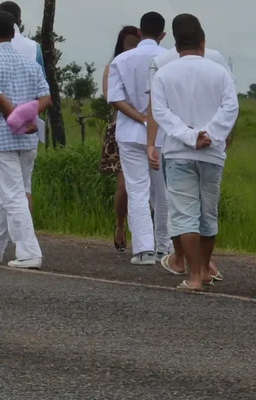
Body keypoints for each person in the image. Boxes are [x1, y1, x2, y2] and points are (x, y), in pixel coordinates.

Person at [151, 13, 239, 291]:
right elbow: (231, 108)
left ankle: (193, 277)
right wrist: (210, 134)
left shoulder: (164, 73)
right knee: (207, 214)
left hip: (179, 151)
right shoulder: (220, 72)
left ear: (176, 45)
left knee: (184, 213)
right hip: (212, 153)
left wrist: (190, 136)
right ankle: (204, 267)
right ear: (203, 42)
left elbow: (160, 113)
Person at [0, 11, 51, 269]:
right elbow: (45, 98)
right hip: (28, 140)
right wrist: (30, 118)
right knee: (11, 194)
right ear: (15, 32)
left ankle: (29, 251)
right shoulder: (29, 63)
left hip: (0, 137)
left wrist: (16, 119)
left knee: (12, 195)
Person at [107, 12, 167, 265]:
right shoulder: (170, 59)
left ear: (140, 33)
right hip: (163, 133)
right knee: (163, 192)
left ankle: (144, 250)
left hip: (130, 133)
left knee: (137, 190)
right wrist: (152, 119)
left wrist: (141, 118)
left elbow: (115, 99)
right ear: (163, 35)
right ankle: (166, 246)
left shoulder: (121, 60)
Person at [99, 26, 141, 252]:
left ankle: (147, 235)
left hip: (149, 127)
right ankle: (120, 224)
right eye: (129, 44)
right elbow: (110, 97)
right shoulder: (113, 66)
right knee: (124, 187)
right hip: (123, 127)